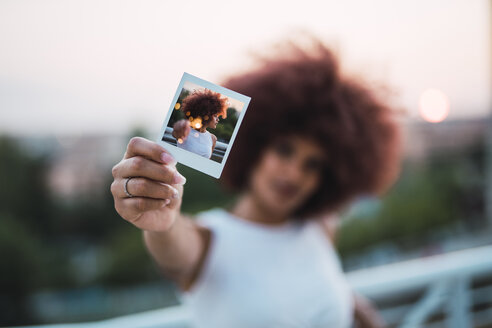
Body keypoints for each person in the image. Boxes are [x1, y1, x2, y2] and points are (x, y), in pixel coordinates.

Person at [110, 36, 402, 328]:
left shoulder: (322, 227)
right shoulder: (207, 238)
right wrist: (163, 221)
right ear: (255, 147)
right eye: (284, 150)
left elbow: (332, 295)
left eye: (312, 165)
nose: (294, 173)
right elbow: (174, 246)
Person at [172, 88, 227, 159]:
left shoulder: (213, 138)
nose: (218, 119)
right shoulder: (184, 130)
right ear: (206, 114)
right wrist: (177, 127)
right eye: (215, 116)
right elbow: (175, 133)